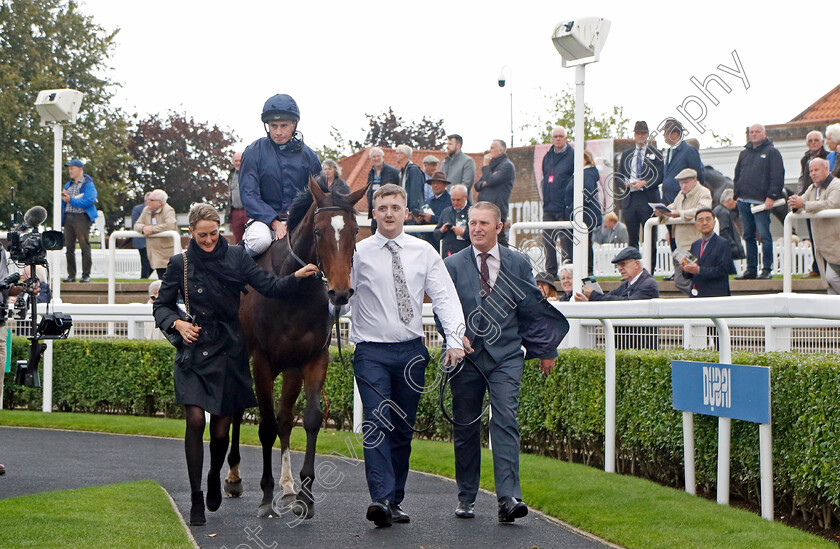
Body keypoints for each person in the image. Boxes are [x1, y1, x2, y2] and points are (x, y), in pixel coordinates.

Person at [153, 203, 319, 526]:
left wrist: (296, 277)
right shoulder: (180, 264)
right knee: (196, 420)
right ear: (191, 233)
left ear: (220, 230)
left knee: (220, 432)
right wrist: (177, 323)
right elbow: (162, 305)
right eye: (202, 235)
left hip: (230, 347)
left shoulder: (237, 257)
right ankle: (196, 500)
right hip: (195, 348)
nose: (209, 240)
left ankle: (216, 473)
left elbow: (268, 287)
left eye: (214, 233)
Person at [348, 183, 465, 527]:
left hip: (412, 353)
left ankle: (394, 498)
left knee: (402, 429)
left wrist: (455, 338)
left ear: (406, 211)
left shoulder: (423, 251)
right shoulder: (357, 252)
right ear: (373, 212)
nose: (388, 214)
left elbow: (443, 296)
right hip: (371, 352)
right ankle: (380, 498)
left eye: (395, 207)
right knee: (377, 422)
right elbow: (339, 297)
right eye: (382, 207)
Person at [444, 201, 568, 523]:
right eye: (472, 223)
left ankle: (508, 498)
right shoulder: (454, 264)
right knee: (466, 425)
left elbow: (531, 307)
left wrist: (546, 349)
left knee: (505, 420)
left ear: (499, 227)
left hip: (507, 356)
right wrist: (454, 339)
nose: (477, 229)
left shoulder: (517, 262)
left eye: (484, 223)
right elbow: (444, 309)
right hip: (467, 358)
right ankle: (467, 496)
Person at [239, 94, 322, 255]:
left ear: (294, 124)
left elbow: (318, 195)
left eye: (283, 125)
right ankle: (237, 271)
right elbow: (249, 195)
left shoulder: (310, 157)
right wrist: (274, 222)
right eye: (273, 125)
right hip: (263, 220)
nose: (277, 132)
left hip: (300, 220)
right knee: (259, 242)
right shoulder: (253, 152)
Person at [733, 123, 785, 280]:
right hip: (744, 201)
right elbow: (737, 175)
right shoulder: (744, 154)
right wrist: (737, 195)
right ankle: (751, 269)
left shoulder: (772, 152)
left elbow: (777, 176)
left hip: (761, 203)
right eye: (751, 132)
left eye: (757, 132)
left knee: (764, 235)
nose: (754, 134)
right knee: (748, 235)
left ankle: (767, 269)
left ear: (764, 133)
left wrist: (771, 196)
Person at [615, 121, 664, 269]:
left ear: (647, 135)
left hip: (647, 199)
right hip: (630, 199)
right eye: (638, 133)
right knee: (632, 238)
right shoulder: (627, 154)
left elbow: (660, 176)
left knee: (650, 236)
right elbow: (618, 176)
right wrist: (626, 183)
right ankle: (632, 269)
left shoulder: (656, 153)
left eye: (643, 133)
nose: (640, 136)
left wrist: (645, 182)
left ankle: (650, 269)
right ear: (634, 135)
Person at [656, 168, 712, 296]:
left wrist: (679, 214)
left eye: (686, 182)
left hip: (695, 245)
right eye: (681, 183)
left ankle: (701, 295)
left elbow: (703, 210)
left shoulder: (704, 193)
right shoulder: (680, 195)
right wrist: (661, 212)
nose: (683, 186)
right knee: (681, 278)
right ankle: (700, 295)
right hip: (681, 247)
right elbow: (672, 208)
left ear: (695, 180)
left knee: (684, 278)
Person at [789, 158, 840, 294]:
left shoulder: (836, 185)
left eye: (816, 170)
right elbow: (801, 202)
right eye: (811, 171)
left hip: (836, 243)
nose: (813, 173)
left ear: (826, 169)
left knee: (832, 278)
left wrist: (804, 205)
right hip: (823, 245)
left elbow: (831, 204)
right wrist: (795, 203)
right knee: (828, 282)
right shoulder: (812, 188)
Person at [540, 127, 574, 276]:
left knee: (566, 239)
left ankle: (567, 271)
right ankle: (551, 272)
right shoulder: (547, 157)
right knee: (548, 239)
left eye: (561, 136)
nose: (558, 139)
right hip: (549, 206)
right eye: (555, 136)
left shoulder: (572, 155)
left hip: (564, 206)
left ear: (566, 138)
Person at [682, 208, 735, 297]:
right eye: (700, 220)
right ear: (696, 225)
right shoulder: (695, 245)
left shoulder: (723, 244)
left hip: (715, 295)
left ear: (714, 223)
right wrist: (685, 268)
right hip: (697, 295)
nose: (704, 223)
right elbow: (689, 275)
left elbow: (723, 270)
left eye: (708, 219)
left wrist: (699, 270)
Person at [61, 158, 98, 283]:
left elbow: (89, 201)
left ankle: (85, 275)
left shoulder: (88, 184)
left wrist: (70, 200)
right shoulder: (68, 184)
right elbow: (64, 202)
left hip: (81, 217)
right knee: (69, 248)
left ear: (80, 169)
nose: (70, 171)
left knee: (84, 246)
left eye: (72, 168)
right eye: (69, 169)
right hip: (69, 217)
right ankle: (71, 275)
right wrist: (64, 198)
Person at [797, 132, 829, 278]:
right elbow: (803, 179)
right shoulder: (805, 159)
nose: (813, 142)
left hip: (823, 199)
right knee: (813, 235)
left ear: (822, 142)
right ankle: (816, 267)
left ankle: (828, 267)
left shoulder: (829, 156)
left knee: (826, 236)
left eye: (816, 140)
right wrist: (800, 197)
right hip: (809, 199)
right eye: (810, 140)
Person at [576, 247, 659, 302]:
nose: (619, 268)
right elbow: (610, 297)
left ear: (637, 264)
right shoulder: (627, 284)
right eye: (618, 265)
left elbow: (628, 304)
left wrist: (594, 296)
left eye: (623, 264)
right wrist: (589, 300)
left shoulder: (649, 284)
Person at [474, 139, 515, 246]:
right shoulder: (492, 167)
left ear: (500, 151)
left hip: (497, 209)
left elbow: (491, 180)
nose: (489, 150)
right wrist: (485, 181)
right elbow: (477, 185)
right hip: (484, 208)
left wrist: (486, 167)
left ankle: (506, 261)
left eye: (492, 148)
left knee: (499, 239)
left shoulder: (506, 166)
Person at [133, 189, 178, 280]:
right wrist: (143, 228)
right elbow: (137, 225)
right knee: (161, 279)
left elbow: (170, 225)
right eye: (148, 199)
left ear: (160, 202)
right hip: (154, 252)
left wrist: (152, 229)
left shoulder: (168, 210)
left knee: (169, 279)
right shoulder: (146, 210)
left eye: (151, 200)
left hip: (167, 252)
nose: (148, 202)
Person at [366, 147, 401, 234]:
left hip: (388, 207)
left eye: (378, 156)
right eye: (374, 157)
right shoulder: (371, 172)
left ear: (382, 157)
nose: (376, 158)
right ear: (371, 159)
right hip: (375, 207)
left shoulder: (393, 172)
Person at [434, 184, 470, 257]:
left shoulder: (472, 212)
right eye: (453, 200)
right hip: (448, 254)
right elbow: (435, 235)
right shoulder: (446, 212)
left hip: (465, 254)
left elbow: (477, 234)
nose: (455, 203)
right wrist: (442, 230)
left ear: (466, 197)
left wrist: (463, 232)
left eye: (458, 200)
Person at [393, 144, 426, 221]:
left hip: (413, 214)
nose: (395, 156)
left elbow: (415, 193)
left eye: (397, 153)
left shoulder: (413, 170)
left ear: (404, 155)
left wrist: (411, 212)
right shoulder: (402, 171)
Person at [421, 171, 452, 249]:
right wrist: (420, 220)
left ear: (445, 185)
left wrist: (432, 218)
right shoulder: (428, 201)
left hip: (441, 241)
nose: (435, 186)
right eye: (433, 183)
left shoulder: (450, 201)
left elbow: (449, 220)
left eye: (438, 183)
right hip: (428, 240)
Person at [713, 188, 745, 262]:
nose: (736, 202)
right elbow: (724, 232)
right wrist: (734, 247)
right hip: (726, 251)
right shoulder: (724, 213)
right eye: (734, 200)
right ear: (729, 200)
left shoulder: (717, 210)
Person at [131, 193, 153, 279]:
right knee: (145, 263)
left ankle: (144, 278)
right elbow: (135, 224)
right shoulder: (137, 209)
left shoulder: (156, 210)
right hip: (141, 241)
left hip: (152, 240)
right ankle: (143, 279)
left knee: (152, 263)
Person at [228, 152, 247, 244]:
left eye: (240, 160)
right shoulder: (230, 175)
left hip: (248, 211)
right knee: (237, 238)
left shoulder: (250, 173)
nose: (238, 163)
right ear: (233, 162)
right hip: (235, 211)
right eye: (236, 161)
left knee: (250, 236)